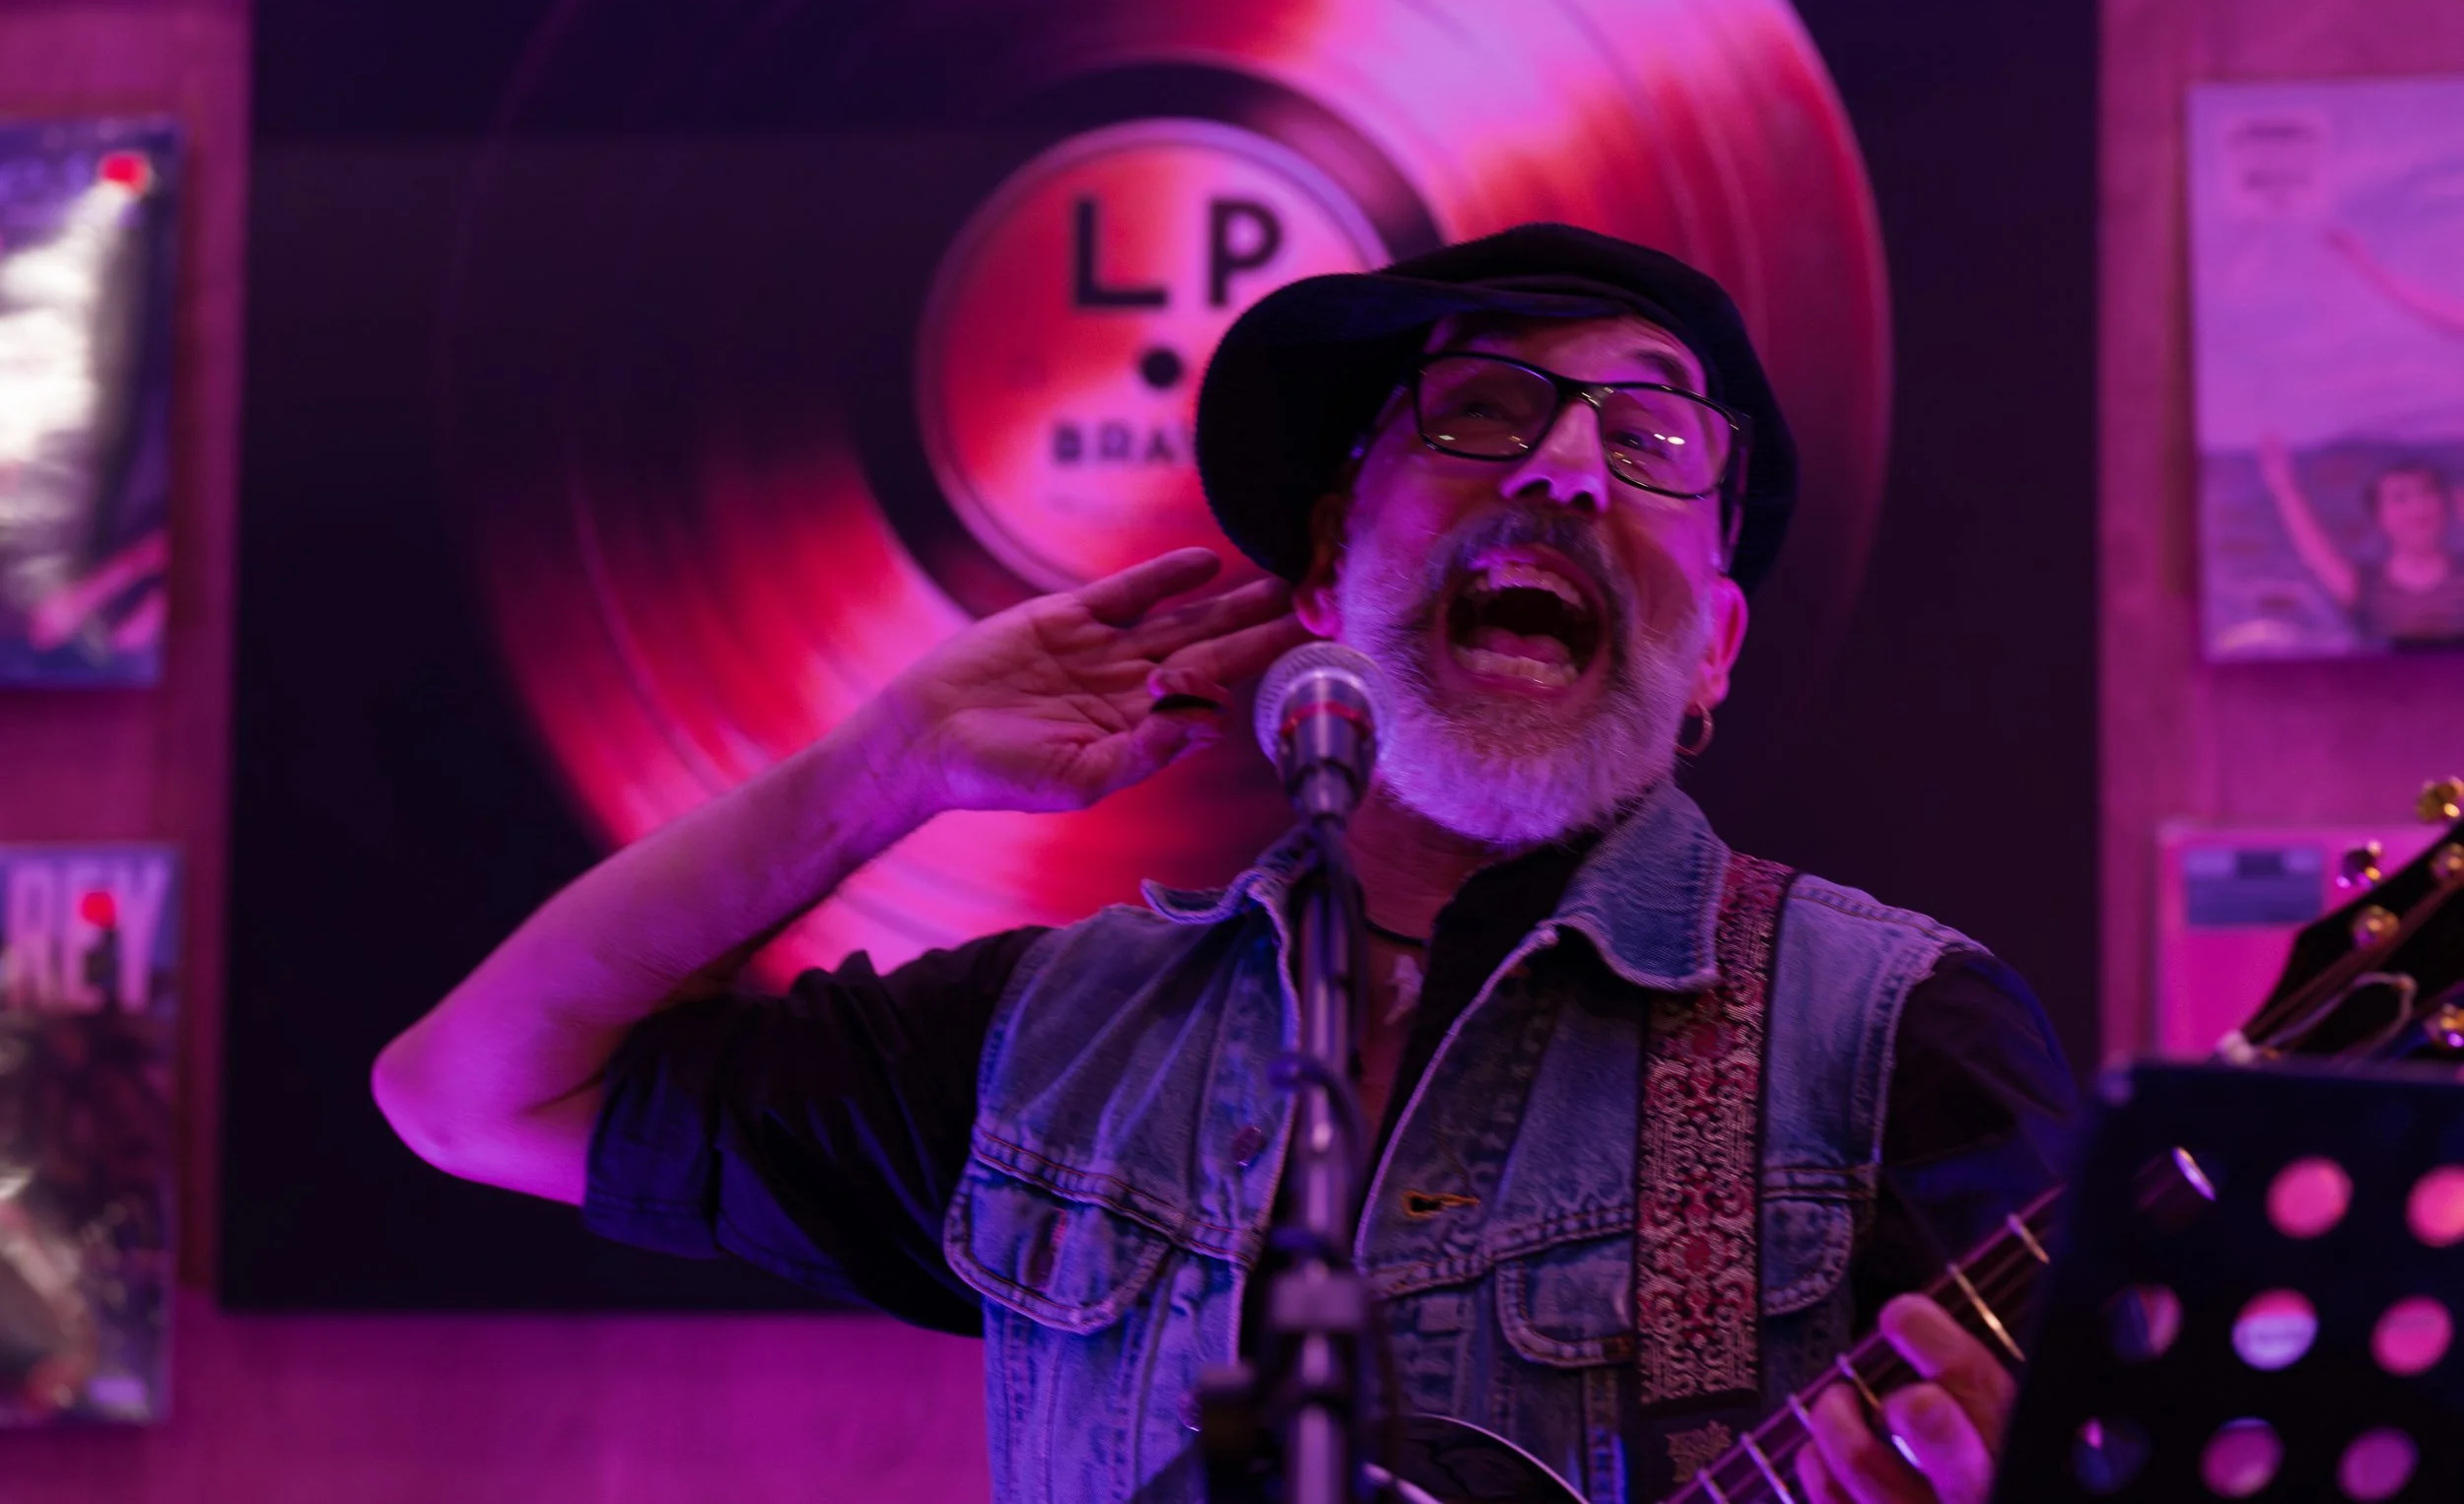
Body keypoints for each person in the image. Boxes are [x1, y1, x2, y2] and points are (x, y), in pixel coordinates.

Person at [374, 225, 2074, 1504]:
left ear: (1713, 653)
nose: (1562, 467)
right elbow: (473, 1092)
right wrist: (883, 767)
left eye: (1650, 441)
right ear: (1328, 572)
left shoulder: (1896, 1034)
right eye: (1482, 411)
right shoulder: (1056, 1038)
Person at [2258, 431, 2464, 649]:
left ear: (2445, 505)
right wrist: (2283, 486)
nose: (2417, 508)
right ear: (2379, 516)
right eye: (2400, 498)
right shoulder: (2364, 588)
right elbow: (2314, 548)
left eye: (2426, 493)